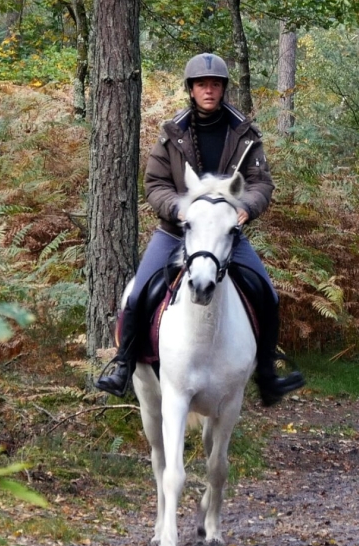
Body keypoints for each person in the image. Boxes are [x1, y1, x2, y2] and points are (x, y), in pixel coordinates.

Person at [96, 53, 306, 406]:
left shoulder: (246, 134)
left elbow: (260, 183)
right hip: (175, 232)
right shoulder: (171, 133)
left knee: (268, 294)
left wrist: (246, 208)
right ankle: (123, 365)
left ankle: (268, 373)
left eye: (215, 84)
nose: (209, 90)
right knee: (137, 295)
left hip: (225, 235)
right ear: (191, 90)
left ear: (223, 89)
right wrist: (178, 208)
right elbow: (155, 183)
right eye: (201, 85)